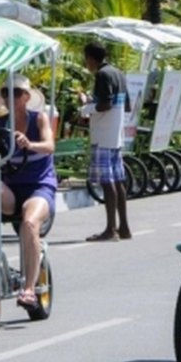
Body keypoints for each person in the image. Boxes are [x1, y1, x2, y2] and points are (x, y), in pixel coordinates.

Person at [0, 73, 56, 309]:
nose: (11, 97)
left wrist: (30, 145)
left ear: (27, 97)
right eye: (6, 93)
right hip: (11, 189)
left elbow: (49, 146)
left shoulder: (38, 119)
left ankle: (28, 288)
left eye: (16, 93)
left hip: (39, 186)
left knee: (29, 224)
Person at [81, 43, 132, 242]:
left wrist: (86, 108)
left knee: (107, 181)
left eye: (86, 59)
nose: (86, 63)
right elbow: (125, 106)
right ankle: (124, 227)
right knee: (118, 181)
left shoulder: (102, 75)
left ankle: (111, 229)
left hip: (103, 135)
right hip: (116, 134)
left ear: (91, 58)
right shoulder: (118, 73)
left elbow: (105, 104)